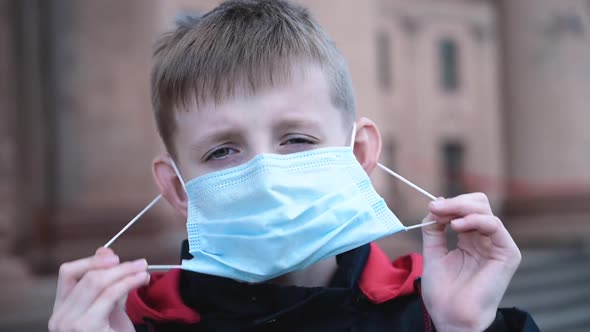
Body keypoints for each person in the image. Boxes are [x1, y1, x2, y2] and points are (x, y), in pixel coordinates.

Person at [48, 1, 540, 331]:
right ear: (178, 189)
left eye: (297, 139)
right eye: (223, 151)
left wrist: (465, 329)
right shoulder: (131, 321)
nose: (265, 173)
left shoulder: (430, 308)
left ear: (359, 154)